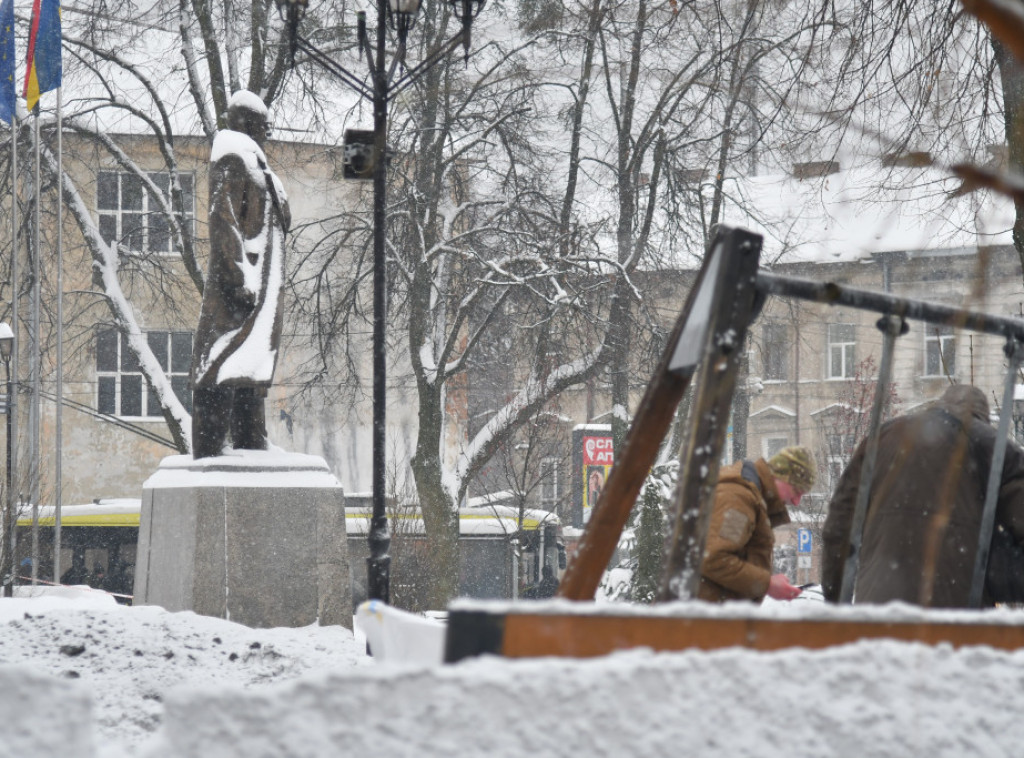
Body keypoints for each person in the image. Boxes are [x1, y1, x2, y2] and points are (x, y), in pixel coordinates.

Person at [821, 384, 1024, 607]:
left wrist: (835, 599)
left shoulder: (884, 437)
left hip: (880, 608)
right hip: (958, 611)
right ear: (982, 417)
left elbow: (839, 528)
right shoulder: (995, 447)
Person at [191, 90, 291, 459]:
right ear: (247, 124)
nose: (267, 133)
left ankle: (251, 440)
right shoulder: (233, 154)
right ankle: (211, 448)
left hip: (262, 288)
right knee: (221, 363)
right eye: (263, 126)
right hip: (242, 287)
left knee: (249, 367)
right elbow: (224, 219)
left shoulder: (258, 164)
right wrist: (237, 278)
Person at [698, 445, 816, 603]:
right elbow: (714, 559)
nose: (796, 502)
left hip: (712, 611)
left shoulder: (751, 498)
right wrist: (768, 584)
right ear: (780, 476)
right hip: (706, 614)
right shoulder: (739, 499)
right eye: (796, 491)